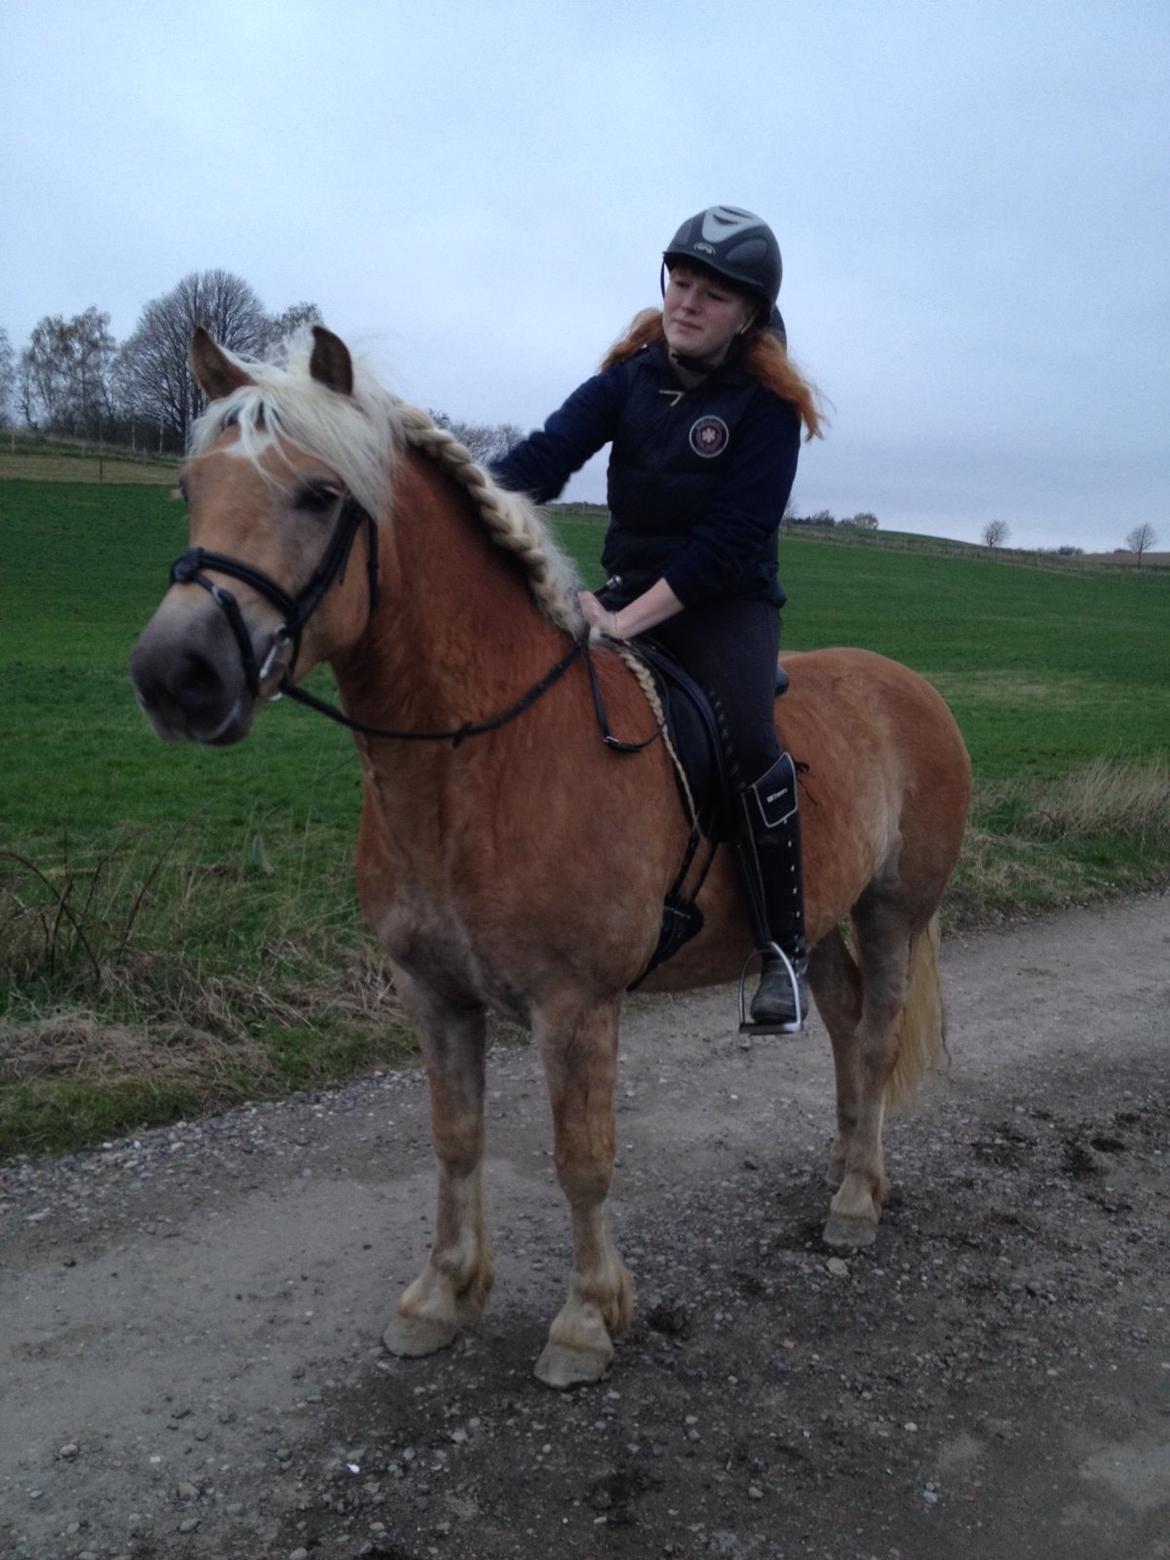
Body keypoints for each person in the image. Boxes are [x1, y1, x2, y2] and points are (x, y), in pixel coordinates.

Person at [490, 204, 823, 1032]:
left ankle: (784, 950)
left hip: (723, 605)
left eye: (714, 293)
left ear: (748, 314)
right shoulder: (629, 379)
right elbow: (541, 459)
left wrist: (623, 620)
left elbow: (724, 548)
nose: (688, 301)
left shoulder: (765, 409)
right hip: (624, 591)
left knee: (748, 735)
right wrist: (455, 499)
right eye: (681, 281)